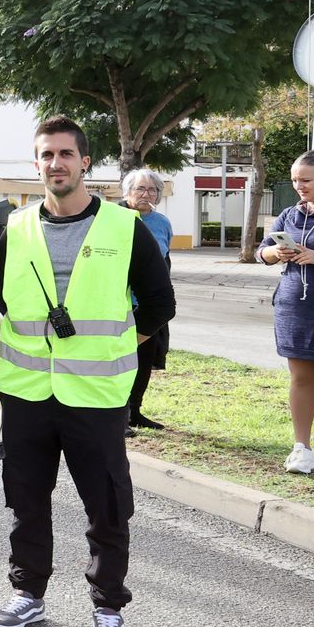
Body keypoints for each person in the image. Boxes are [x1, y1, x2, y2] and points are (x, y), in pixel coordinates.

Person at [0, 115, 174, 627]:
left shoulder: (123, 226)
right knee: (26, 500)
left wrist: (114, 348)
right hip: (26, 392)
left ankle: (108, 607)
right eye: (46, 155)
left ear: (85, 162)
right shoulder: (16, 228)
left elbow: (160, 304)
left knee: (107, 506)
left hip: (96, 397)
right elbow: (6, 301)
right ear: (36, 162)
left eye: (66, 154)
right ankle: (28, 592)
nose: (56, 164)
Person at [258, 150, 314, 473]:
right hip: (295, 307)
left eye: (305, 180)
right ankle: (302, 449)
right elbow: (260, 252)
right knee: (302, 377)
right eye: (295, 180)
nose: (298, 186)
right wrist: (274, 252)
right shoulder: (289, 215)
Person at [121, 169, 173, 434]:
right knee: (121, 360)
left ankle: (134, 412)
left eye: (152, 190)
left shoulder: (162, 223)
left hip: (150, 304)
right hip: (122, 302)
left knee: (144, 360)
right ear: (127, 192)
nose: (146, 194)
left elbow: (164, 261)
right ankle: (116, 415)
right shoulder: (116, 219)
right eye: (140, 189)